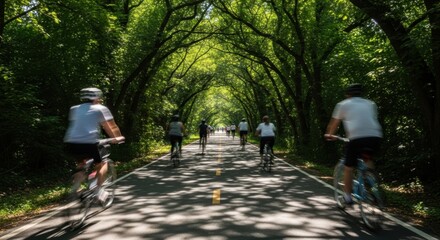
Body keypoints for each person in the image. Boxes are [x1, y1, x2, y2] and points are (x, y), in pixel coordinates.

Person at [324, 83, 382, 205]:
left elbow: (334, 124)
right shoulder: (370, 103)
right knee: (367, 159)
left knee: (348, 167)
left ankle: (347, 197)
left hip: (357, 138)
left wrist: (329, 134)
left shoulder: (343, 104)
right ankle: (374, 186)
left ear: (347, 94)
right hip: (375, 137)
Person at [64, 87, 125, 201]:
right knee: (102, 164)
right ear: (97, 97)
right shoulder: (100, 108)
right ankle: (98, 190)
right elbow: (110, 126)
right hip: (89, 142)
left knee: (81, 164)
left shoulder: (74, 109)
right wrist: (117, 138)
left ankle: (75, 188)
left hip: (71, 142)